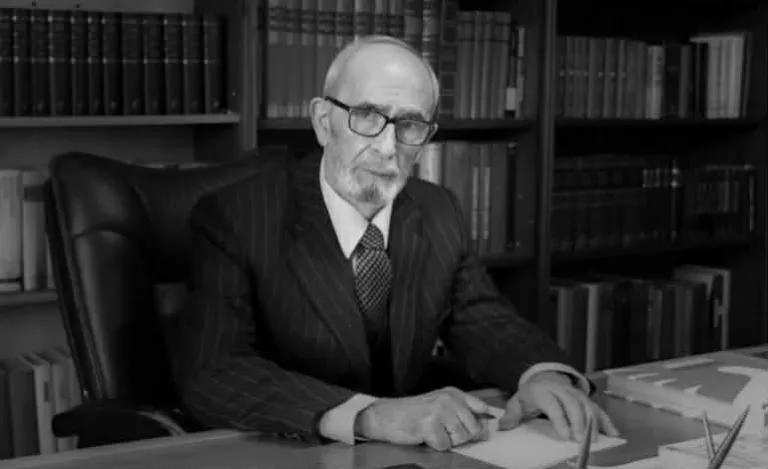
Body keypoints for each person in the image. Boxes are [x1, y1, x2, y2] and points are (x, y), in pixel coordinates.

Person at [173, 35, 619, 451]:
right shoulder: (237, 217)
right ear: (324, 122)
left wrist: (542, 374)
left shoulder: (437, 209)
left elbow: (482, 317)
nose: (388, 147)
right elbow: (215, 371)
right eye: (368, 115)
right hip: (286, 450)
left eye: (410, 124)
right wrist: (370, 415)